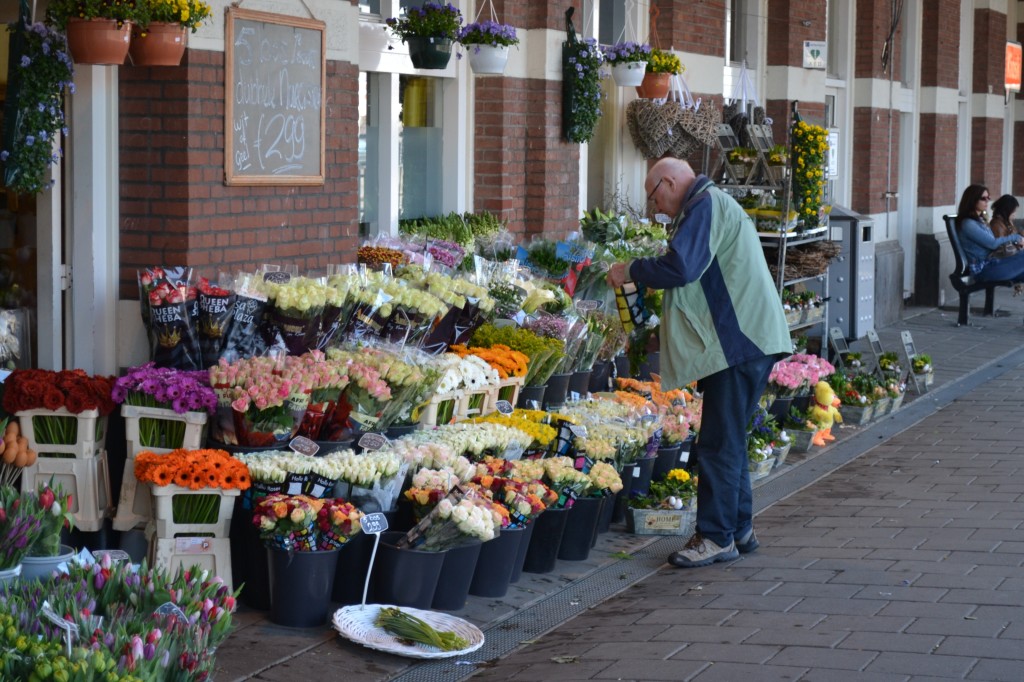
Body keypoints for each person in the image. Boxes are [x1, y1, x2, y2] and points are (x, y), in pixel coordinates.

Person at [606, 158, 791, 568]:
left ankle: (715, 537)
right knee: (730, 441)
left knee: (717, 444)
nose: (659, 209)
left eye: (655, 198)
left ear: (669, 183)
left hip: (739, 344)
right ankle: (738, 528)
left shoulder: (705, 205)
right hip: (748, 342)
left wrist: (630, 270)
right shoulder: (711, 204)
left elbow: (682, 268)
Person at [955, 185, 1024, 282]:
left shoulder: (980, 220)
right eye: (983, 198)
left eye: (988, 198)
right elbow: (993, 244)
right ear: (972, 200)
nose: (987, 201)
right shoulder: (968, 224)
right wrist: (1015, 237)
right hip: (984, 271)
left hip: (993, 264)